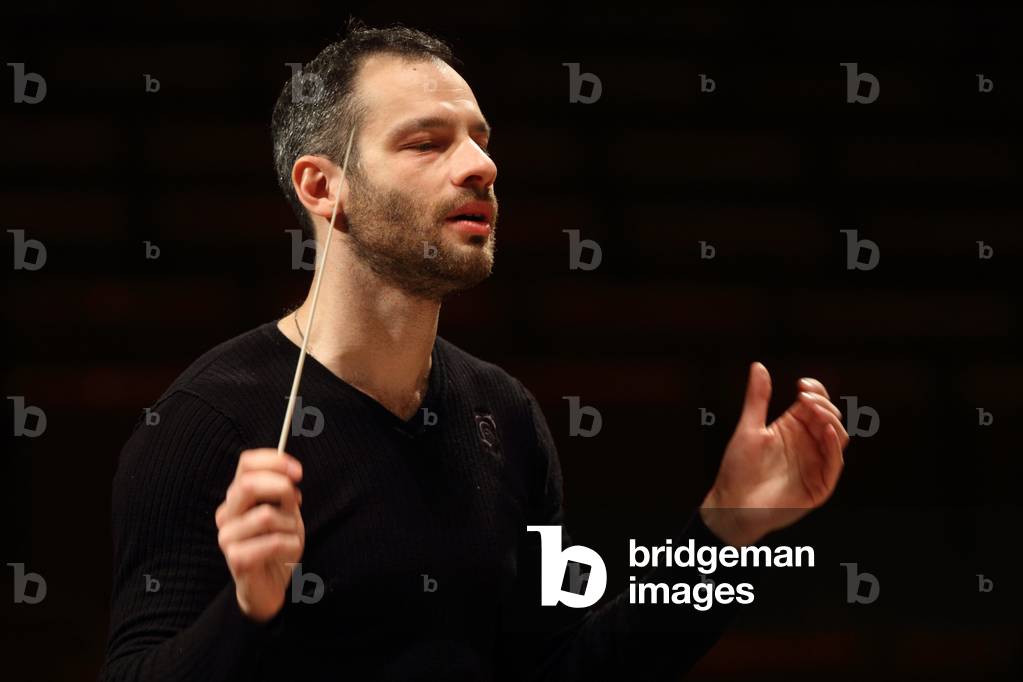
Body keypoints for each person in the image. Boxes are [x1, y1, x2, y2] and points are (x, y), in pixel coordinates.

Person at [99, 20, 849, 681]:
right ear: (324, 189)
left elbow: (568, 665)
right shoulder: (205, 424)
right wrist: (248, 609)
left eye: (480, 142)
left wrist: (728, 532)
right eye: (427, 142)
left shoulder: (506, 417)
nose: (481, 167)